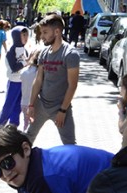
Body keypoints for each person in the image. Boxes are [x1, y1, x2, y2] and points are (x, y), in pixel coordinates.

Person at [26, 14, 80, 145]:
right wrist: (31, 104)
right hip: (41, 105)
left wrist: (63, 110)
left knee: (70, 145)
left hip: (60, 108)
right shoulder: (44, 53)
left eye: (45, 32)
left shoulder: (70, 54)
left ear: (57, 32)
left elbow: (72, 85)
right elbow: (38, 80)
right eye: (41, 32)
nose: (41, 36)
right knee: (27, 139)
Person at [0, 26, 29, 126]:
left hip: (23, 82)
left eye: (27, 35)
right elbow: (14, 68)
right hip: (14, 82)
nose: (26, 37)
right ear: (16, 36)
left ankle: (13, 125)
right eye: (23, 35)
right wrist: (27, 62)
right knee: (8, 106)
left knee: (18, 106)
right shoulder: (11, 51)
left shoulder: (25, 50)